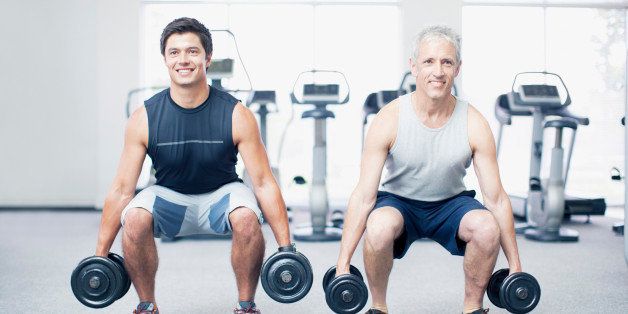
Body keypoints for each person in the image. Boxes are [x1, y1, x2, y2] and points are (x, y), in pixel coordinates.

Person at [94, 17, 291, 314]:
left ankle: (246, 306)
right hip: (169, 196)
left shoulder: (237, 114)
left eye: (192, 51)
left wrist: (286, 250)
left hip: (221, 195)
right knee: (132, 218)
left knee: (248, 219)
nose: (183, 60)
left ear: (207, 58)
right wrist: (99, 256)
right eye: (174, 52)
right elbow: (122, 189)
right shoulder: (144, 118)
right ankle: (147, 305)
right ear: (164, 59)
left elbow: (263, 183)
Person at [334, 25, 522, 314]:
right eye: (429, 61)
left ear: (457, 69)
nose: (438, 71)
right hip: (399, 202)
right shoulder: (389, 118)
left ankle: (472, 308)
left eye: (447, 62)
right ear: (413, 67)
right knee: (379, 225)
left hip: (451, 203)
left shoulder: (474, 122)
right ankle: (379, 307)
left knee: (486, 227)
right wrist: (342, 265)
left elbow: (496, 199)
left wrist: (515, 267)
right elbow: (363, 196)